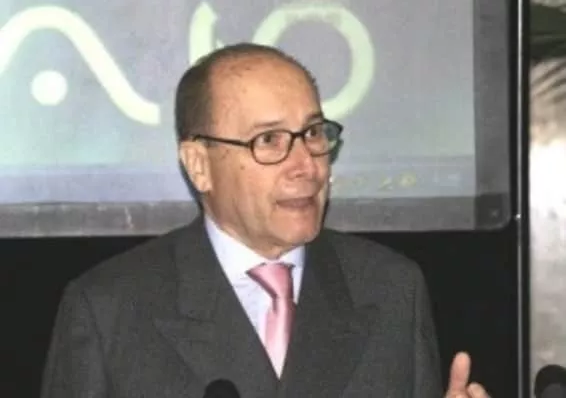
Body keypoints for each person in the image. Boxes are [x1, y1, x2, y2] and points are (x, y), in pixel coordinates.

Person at [41, 42, 490, 398]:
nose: (306, 165)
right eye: (269, 140)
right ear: (199, 164)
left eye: (312, 133)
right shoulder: (110, 308)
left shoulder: (390, 288)